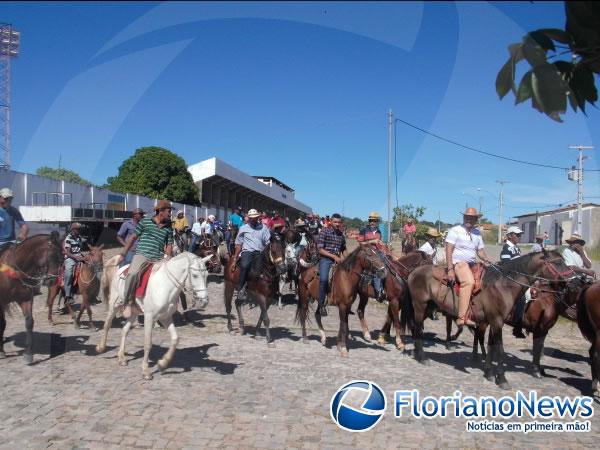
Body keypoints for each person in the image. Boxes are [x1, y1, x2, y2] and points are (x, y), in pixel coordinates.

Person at [118, 200, 174, 318]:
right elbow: (133, 238)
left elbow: (169, 244)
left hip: (158, 257)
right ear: (161, 211)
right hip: (142, 254)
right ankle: (128, 302)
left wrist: (168, 258)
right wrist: (123, 253)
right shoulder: (145, 222)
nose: (170, 214)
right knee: (133, 273)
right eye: (169, 211)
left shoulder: (169, 227)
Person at [445, 207, 491, 327]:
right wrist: (450, 268)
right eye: (466, 217)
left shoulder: (477, 233)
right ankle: (461, 317)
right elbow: (449, 249)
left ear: (476, 219)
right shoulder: (455, 230)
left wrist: (486, 259)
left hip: (473, 264)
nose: (468, 219)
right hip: (459, 263)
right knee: (469, 282)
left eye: (471, 218)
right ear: (463, 217)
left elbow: (480, 251)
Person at [232, 208, 271, 301]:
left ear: (258, 217)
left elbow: (268, 242)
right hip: (247, 251)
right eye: (251, 217)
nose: (253, 219)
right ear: (248, 218)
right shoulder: (243, 228)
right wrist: (235, 257)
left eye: (255, 217)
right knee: (244, 266)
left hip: (259, 252)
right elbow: (238, 243)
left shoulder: (264, 228)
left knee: (259, 272)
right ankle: (240, 289)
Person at [317, 213, 346, 316]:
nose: (337, 224)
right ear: (331, 222)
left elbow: (343, 249)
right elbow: (320, 249)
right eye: (335, 222)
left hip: (338, 260)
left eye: (339, 222)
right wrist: (334, 257)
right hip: (326, 259)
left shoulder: (341, 235)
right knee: (324, 280)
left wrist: (345, 258)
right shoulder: (324, 231)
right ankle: (321, 305)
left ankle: (344, 302)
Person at [500, 226, 526, 338]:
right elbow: (507, 267)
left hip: (519, 277)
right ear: (510, 236)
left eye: (520, 235)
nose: (519, 237)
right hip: (510, 279)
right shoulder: (506, 249)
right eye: (517, 235)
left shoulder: (517, 248)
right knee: (522, 297)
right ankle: (517, 325)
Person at [357, 212, 386, 302]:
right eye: (371, 220)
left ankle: (385, 288)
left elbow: (379, 243)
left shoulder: (379, 231)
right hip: (366, 251)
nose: (372, 222)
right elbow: (361, 243)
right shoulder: (364, 230)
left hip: (377, 252)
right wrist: (372, 241)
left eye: (374, 220)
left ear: (377, 221)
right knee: (377, 269)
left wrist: (381, 245)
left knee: (387, 265)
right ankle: (378, 291)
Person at [63, 222, 86, 305]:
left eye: (80, 229)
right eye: (78, 229)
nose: (79, 231)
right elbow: (67, 253)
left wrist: (83, 257)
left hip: (79, 257)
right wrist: (77, 257)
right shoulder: (68, 238)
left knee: (92, 266)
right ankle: (68, 296)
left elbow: (79, 250)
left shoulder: (79, 238)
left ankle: (93, 292)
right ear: (73, 230)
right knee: (69, 273)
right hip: (70, 258)